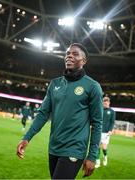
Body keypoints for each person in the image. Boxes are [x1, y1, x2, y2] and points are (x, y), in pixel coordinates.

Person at [16, 43, 103, 179]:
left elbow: (97, 123)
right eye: (67, 53)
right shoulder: (55, 84)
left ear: (84, 61)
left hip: (74, 149)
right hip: (54, 147)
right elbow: (43, 114)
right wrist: (27, 138)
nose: (69, 56)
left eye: (75, 54)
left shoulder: (92, 86)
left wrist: (92, 155)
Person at [95, 96, 116, 168]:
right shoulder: (100, 110)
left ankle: (105, 157)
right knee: (97, 147)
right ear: (102, 103)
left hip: (106, 133)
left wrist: (110, 130)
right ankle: (97, 162)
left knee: (104, 147)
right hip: (98, 131)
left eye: (107, 103)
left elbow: (112, 122)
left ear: (109, 103)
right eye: (104, 103)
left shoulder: (112, 111)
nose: (105, 104)